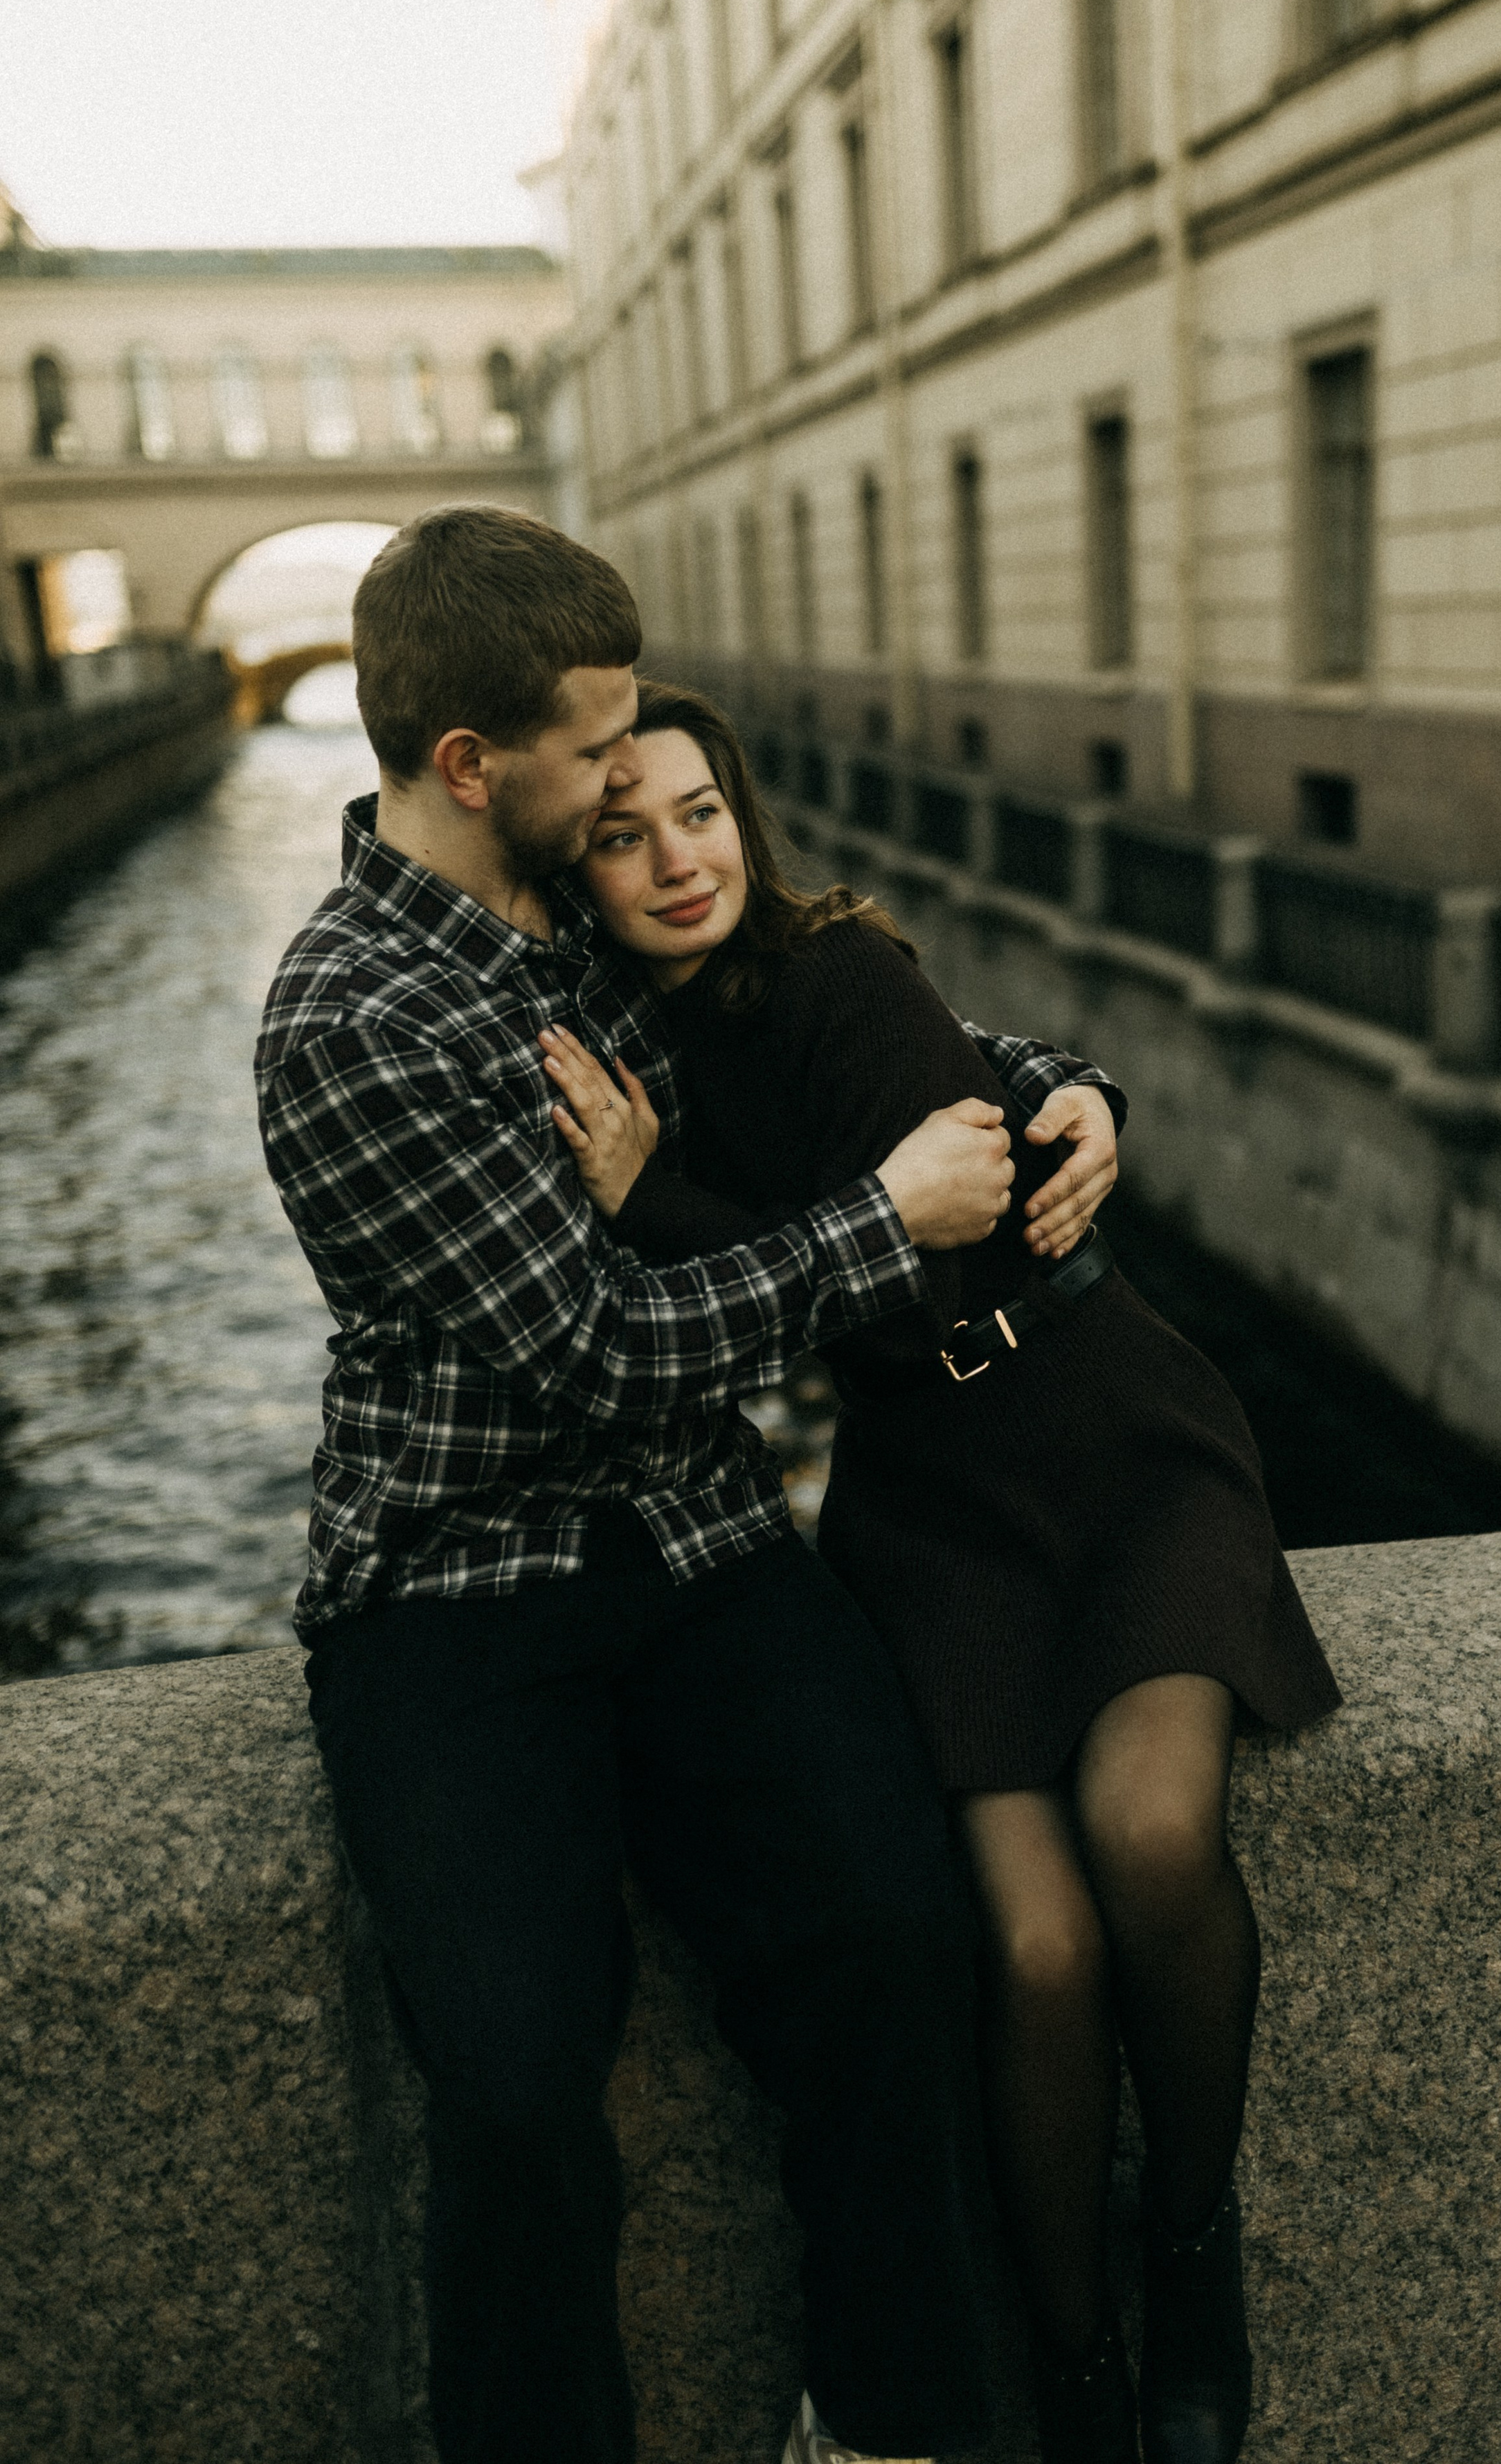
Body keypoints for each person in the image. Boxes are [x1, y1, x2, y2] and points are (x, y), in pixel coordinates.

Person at [254, 505, 1131, 2464]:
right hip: (457, 1598)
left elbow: (825, 1009)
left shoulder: (582, 907)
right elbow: (590, 1349)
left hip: (705, 1545)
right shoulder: (348, 1023)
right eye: (600, 744)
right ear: (474, 766)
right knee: (510, 2084)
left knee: (899, 1946)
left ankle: (889, 2423)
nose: (635, 781)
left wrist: (1061, 1085)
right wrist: (883, 1224)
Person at [550, 681, 1344, 2464]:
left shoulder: (840, 969)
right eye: (620, 833)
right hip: (928, 1512)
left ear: (742, 812)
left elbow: (948, 1245)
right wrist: (697, 1206)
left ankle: (1190, 2254)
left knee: (1148, 1838)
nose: (677, 858)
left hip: (1112, 1443)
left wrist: (662, 1214)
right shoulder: (619, 1052)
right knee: (1036, 1949)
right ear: (574, 868)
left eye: (696, 811)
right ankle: (1067, 2363)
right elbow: (777, 1321)